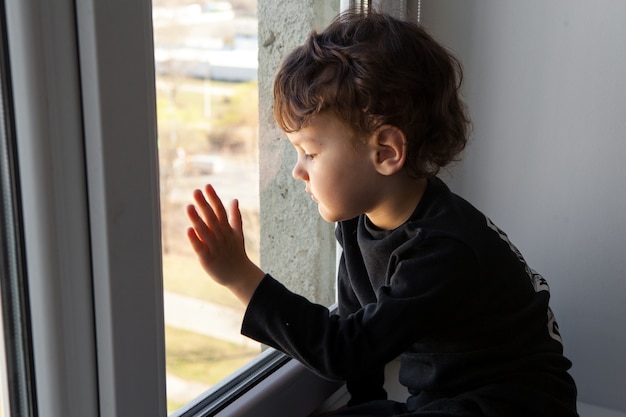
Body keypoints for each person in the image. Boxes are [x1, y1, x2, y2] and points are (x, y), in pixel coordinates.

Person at [186, 11, 579, 417]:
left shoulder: (442, 250)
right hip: (445, 401)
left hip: (513, 406)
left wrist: (241, 278)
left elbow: (347, 349)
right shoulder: (359, 224)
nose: (297, 170)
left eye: (310, 152)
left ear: (386, 152)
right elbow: (359, 336)